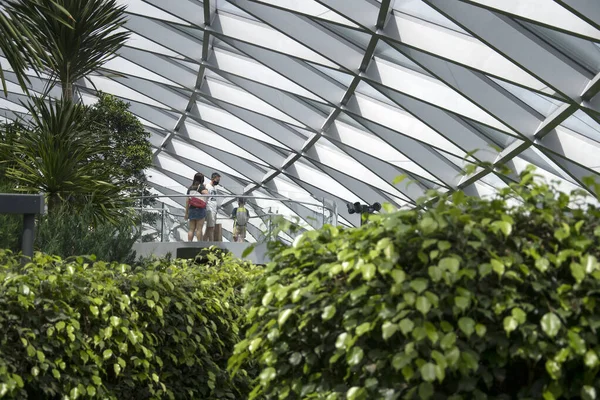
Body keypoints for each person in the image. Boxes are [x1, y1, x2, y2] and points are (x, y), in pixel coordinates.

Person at [184, 172, 208, 242]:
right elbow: (207, 194)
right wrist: (205, 188)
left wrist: (186, 213)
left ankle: (189, 242)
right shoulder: (201, 187)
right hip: (200, 209)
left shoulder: (190, 188)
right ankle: (199, 243)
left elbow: (187, 201)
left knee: (191, 229)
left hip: (191, 209)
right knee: (199, 228)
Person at [204, 172, 221, 241]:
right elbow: (205, 198)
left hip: (214, 209)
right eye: (217, 180)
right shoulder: (207, 186)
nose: (218, 181)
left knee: (209, 228)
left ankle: (203, 242)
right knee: (211, 228)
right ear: (213, 178)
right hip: (209, 209)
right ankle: (212, 243)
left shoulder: (214, 188)